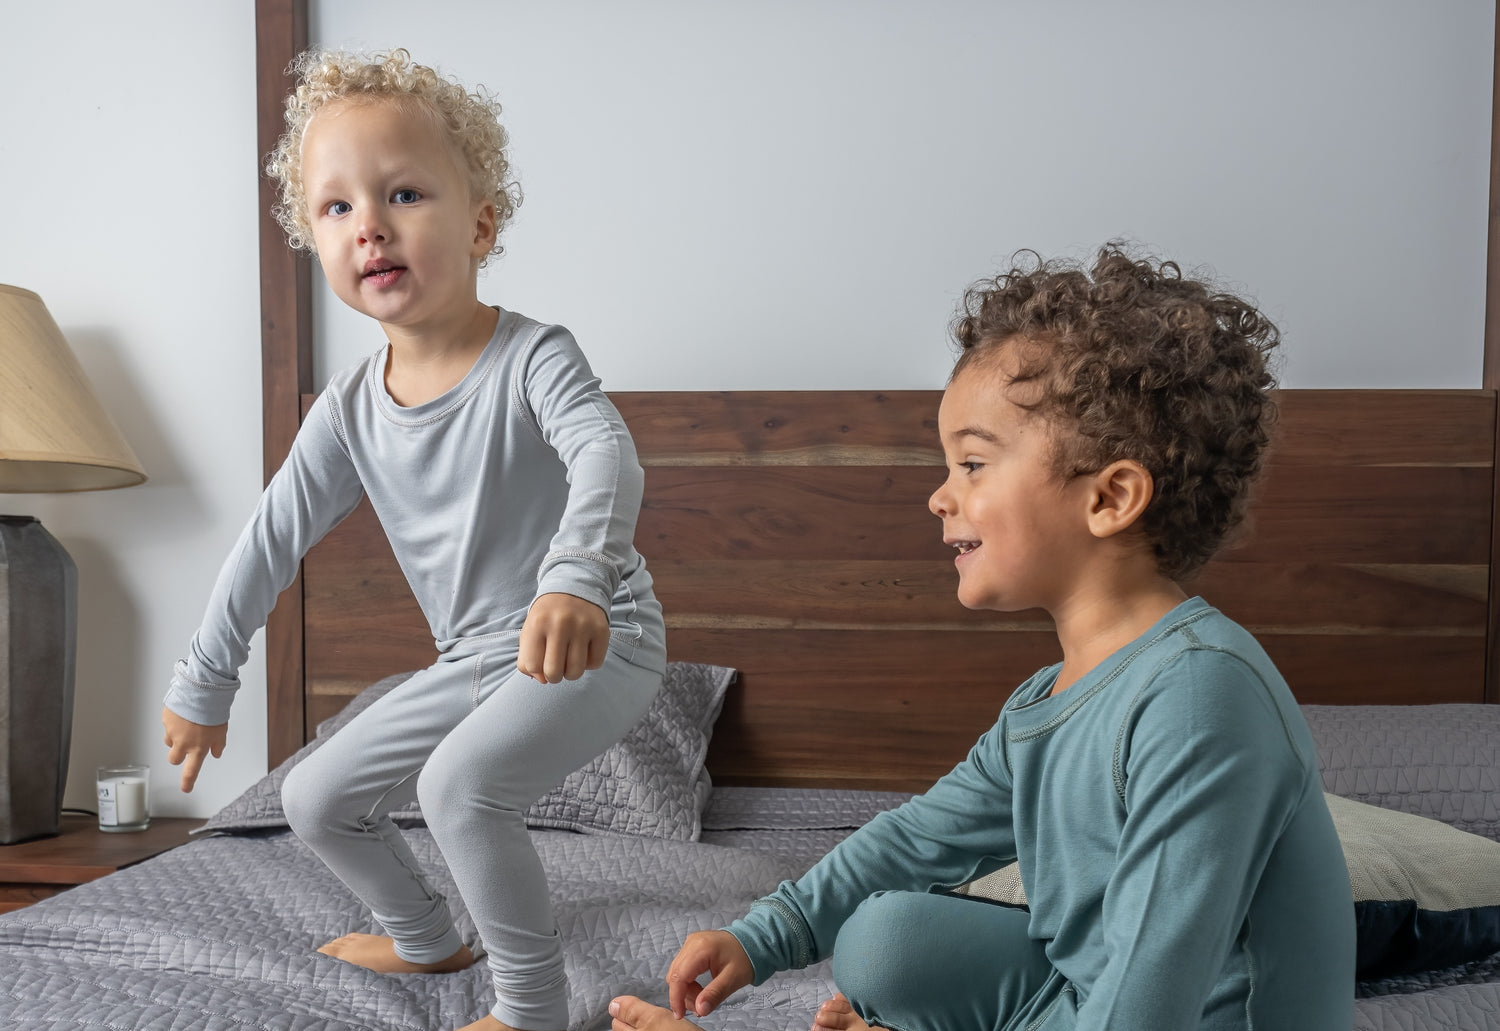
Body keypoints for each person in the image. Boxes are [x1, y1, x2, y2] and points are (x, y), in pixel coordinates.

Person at [609, 245, 1355, 1031]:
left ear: (1110, 497)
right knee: (883, 937)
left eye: (971, 463)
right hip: (1084, 996)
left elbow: (1146, 996)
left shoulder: (1202, 693)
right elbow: (917, 839)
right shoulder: (1049, 698)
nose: (939, 496)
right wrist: (762, 933)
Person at [160, 48, 666, 1031]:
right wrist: (204, 676)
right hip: (479, 657)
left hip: (601, 632)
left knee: (459, 785)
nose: (371, 226)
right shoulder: (348, 412)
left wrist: (577, 577)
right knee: (313, 796)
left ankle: (531, 1007)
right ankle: (431, 934)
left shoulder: (532, 356)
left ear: (480, 223)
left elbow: (609, 456)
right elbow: (269, 538)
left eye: (401, 192)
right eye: (336, 207)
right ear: (311, 238)